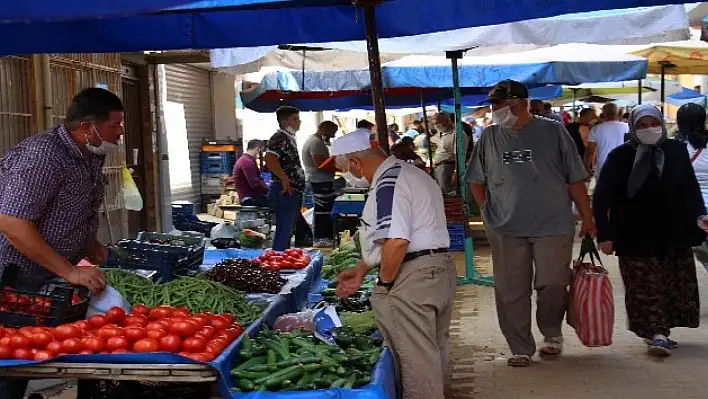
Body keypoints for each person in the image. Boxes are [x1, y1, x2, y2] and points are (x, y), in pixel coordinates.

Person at [0, 88, 120, 398]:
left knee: (39, 355)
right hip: (13, 279)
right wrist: (68, 271)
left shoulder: (89, 154)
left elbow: (68, 208)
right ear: (87, 127)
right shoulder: (42, 156)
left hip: (47, 278)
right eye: (114, 126)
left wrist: (90, 243)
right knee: (11, 362)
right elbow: (12, 223)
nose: (120, 133)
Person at [466, 80, 594, 367]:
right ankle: (520, 346)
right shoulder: (489, 137)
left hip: (552, 222)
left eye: (502, 104)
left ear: (523, 103)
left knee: (552, 282)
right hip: (506, 225)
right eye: (493, 104)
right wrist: (487, 210)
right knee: (511, 288)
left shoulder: (553, 131)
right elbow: (476, 180)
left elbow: (574, 177)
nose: (495, 109)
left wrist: (587, 216)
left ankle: (552, 334)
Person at [333, 129, 454, 399]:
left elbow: (397, 241)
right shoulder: (409, 173)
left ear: (355, 162)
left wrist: (385, 284)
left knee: (416, 361)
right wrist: (362, 268)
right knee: (431, 350)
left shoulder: (389, 182)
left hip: (414, 275)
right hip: (438, 267)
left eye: (347, 171)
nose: (353, 177)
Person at [593, 104, 707, 357]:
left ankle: (660, 330)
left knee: (670, 283)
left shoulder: (675, 151)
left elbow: (690, 187)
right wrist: (605, 234)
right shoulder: (621, 156)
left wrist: (700, 216)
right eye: (642, 125)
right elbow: (602, 197)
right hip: (634, 234)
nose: (649, 129)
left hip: (674, 232)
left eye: (653, 123)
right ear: (633, 127)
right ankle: (657, 333)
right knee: (644, 285)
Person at [264, 106, 312, 250]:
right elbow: (270, 158)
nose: (299, 122)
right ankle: (277, 262)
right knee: (284, 230)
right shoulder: (280, 138)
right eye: (295, 118)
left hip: (293, 190)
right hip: (284, 190)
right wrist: (284, 179)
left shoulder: (288, 138)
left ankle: (281, 258)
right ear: (285, 121)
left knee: (288, 230)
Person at [302, 121, 339, 248]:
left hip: (321, 180)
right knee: (322, 211)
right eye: (333, 131)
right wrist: (339, 168)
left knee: (323, 210)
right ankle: (321, 237)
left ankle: (322, 236)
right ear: (324, 129)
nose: (334, 135)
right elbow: (320, 165)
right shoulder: (316, 143)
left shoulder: (317, 141)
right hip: (319, 181)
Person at [585, 103, 629, 179]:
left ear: (604, 113)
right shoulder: (628, 127)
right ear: (617, 112)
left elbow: (590, 152)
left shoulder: (596, 129)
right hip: (624, 166)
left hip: (603, 167)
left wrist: (586, 168)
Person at [430, 112, 468, 195]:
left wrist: (456, 172)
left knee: (447, 193)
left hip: (447, 168)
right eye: (435, 124)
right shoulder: (442, 133)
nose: (436, 126)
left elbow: (459, 156)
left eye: (438, 123)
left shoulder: (458, 134)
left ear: (447, 121)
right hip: (439, 167)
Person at [233, 139, 269, 207]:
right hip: (249, 198)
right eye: (262, 151)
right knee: (278, 203)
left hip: (248, 196)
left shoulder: (244, 160)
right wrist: (268, 191)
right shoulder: (247, 162)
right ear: (258, 149)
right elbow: (254, 184)